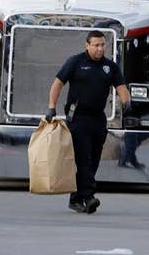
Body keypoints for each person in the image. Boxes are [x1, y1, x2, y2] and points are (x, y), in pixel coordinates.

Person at [45, 30, 130, 214]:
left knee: (94, 159)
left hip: (98, 118)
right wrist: (51, 107)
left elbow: (121, 87)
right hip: (78, 118)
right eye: (96, 45)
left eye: (103, 45)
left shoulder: (110, 67)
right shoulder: (75, 62)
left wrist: (127, 102)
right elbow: (57, 83)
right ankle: (89, 197)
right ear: (87, 45)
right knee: (83, 157)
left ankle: (75, 198)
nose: (100, 49)